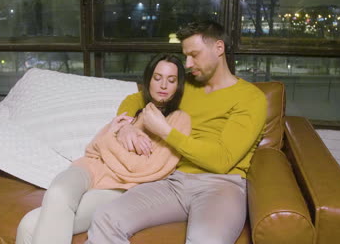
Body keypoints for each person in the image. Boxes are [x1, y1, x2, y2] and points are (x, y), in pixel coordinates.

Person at [85, 20, 267, 244]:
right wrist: (126, 126)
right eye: (186, 56)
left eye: (194, 55)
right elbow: (137, 98)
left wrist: (164, 130)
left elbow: (221, 160)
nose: (188, 64)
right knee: (106, 217)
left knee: (206, 240)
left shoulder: (251, 98)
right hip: (173, 181)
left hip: (222, 185)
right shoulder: (184, 85)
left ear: (219, 48)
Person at [16, 53, 191, 244]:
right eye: (157, 78)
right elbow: (92, 148)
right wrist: (118, 135)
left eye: (171, 80)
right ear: (149, 80)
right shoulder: (136, 112)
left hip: (118, 187)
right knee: (57, 193)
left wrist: (110, 140)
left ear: (178, 85)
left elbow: (144, 169)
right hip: (88, 169)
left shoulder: (179, 120)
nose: (163, 85)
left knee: (29, 224)